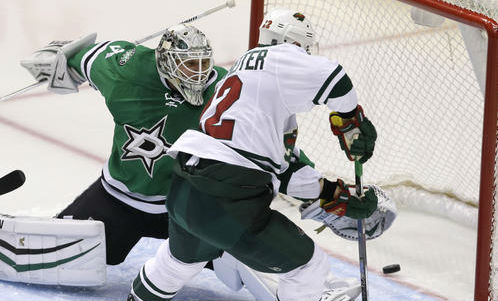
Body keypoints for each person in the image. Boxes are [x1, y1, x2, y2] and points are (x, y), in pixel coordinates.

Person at [128, 8, 378, 301]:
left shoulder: (248, 77)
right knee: (308, 267)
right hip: (228, 195)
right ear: (294, 44)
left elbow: (283, 169)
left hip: (187, 187)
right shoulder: (282, 57)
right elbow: (336, 78)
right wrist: (351, 119)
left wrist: (333, 192)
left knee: (178, 263)